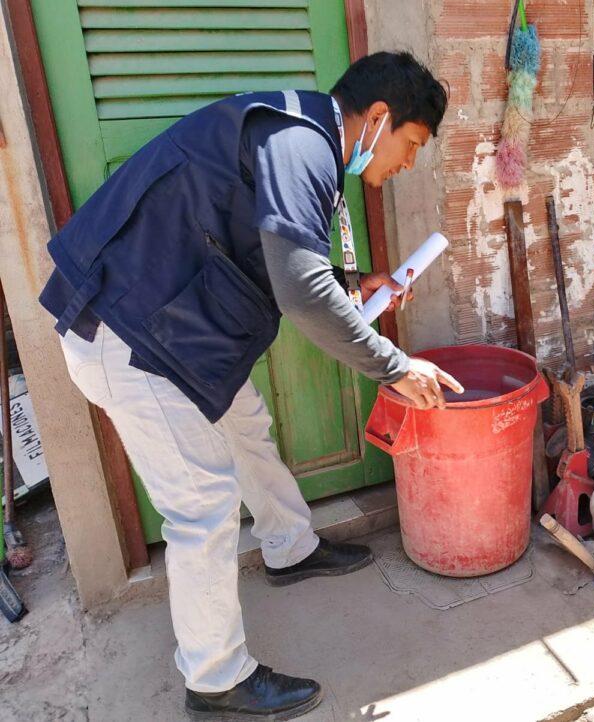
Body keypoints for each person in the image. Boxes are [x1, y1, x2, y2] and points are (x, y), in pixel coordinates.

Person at [38, 52, 462, 720]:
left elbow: (273, 257)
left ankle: (290, 546)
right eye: (410, 145)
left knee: (245, 426)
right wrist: (394, 366)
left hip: (170, 326)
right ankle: (215, 680)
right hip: (128, 335)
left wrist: (355, 286)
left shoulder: (296, 136)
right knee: (200, 505)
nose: (407, 163)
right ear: (378, 117)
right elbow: (298, 290)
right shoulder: (302, 143)